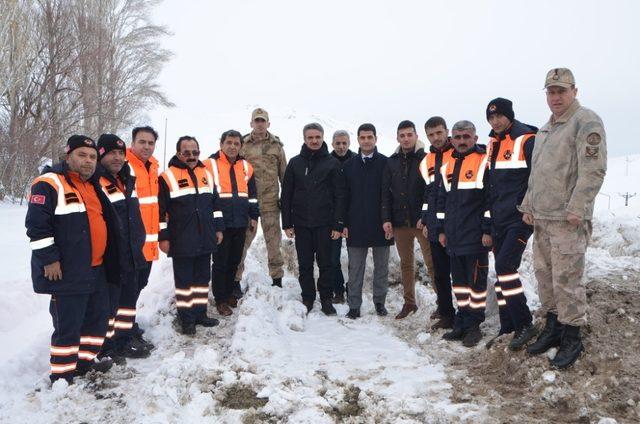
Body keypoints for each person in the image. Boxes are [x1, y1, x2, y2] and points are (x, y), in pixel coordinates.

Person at [519, 68, 607, 369]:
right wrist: (528, 204)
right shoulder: (546, 129)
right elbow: (538, 174)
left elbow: (593, 170)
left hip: (567, 221)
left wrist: (577, 209)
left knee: (568, 281)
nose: (555, 97)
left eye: (561, 91)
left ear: (574, 91)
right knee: (545, 278)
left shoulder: (585, 122)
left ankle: (572, 336)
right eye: (550, 92)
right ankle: (554, 327)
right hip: (543, 219)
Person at [25, 135, 120, 384]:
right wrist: (49, 260)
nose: (88, 161)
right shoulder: (49, 183)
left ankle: (84, 363)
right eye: (82, 155)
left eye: (92, 157)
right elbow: (37, 227)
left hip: (96, 268)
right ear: (68, 156)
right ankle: (62, 374)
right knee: (68, 324)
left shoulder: (92, 185)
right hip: (67, 270)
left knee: (96, 321)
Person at [485, 98, 538, 350]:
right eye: (491, 118)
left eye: (499, 116)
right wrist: (488, 223)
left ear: (509, 115)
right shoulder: (493, 143)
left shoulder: (526, 138)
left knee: (506, 266)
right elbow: (490, 186)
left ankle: (525, 323)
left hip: (519, 218)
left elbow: (537, 179)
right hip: (498, 220)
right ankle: (507, 327)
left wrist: (527, 208)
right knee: (500, 275)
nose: (495, 121)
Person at [158, 136, 224, 335]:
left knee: (202, 280)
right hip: (182, 239)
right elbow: (160, 212)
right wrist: (164, 236)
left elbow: (215, 204)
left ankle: (200, 314)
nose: (192, 156)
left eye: (195, 152)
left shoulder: (206, 173)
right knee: (185, 283)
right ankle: (186, 319)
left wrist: (218, 228)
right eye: (186, 152)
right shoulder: (167, 176)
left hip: (205, 236)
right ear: (179, 153)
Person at [281, 123, 346, 315]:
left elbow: (340, 196)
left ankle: (326, 298)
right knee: (305, 264)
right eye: (310, 138)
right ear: (304, 139)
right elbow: (286, 195)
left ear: (323, 137)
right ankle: (308, 297)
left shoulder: (332, 163)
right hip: (301, 223)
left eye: (317, 137)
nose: (314, 141)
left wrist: (337, 224)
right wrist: (287, 223)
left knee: (326, 263)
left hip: (325, 224)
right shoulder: (295, 163)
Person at [436, 120, 491, 347]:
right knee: (458, 283)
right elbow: (442, 200)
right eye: (457, 137)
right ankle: (461, 320)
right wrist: (440, 229)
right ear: (452, 139)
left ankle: (474, 325)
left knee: (476, 284)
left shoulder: (483, 161)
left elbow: (490, 200)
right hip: (454, 237)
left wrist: (487, 230)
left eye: (465, 137)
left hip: (476, 237)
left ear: (474, 138)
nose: (461, 141)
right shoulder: (447, 163)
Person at [96, 134, 151, 359]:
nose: (117, 157)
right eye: (112, 153)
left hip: (131, 251)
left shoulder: (127, 179)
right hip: (111, 256)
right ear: (101, 155)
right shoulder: (96, 181)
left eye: (120, 153)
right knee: (110, 305)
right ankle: (107, 345)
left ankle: (124, 339)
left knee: (128, 302)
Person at [381, 120, 434, 319]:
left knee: (432, 263)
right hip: (400, 222)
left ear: (416, 136)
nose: (405, 139)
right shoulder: (391, 161)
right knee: (406, 264)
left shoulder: (426, 158)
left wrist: (426, 216)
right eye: (402, 135)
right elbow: (385, 192)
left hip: (421, 222)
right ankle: (409, 303)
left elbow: (431, 190)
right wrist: (386, 218)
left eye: (409, 134)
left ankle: (443, 304)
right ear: (397, 138)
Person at [204, 130, 259, 316]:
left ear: (241, 146)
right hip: (219, 223)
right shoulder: (209, 165)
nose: (233, 146)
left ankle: (228, 294)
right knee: (220, 262)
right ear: (221, 144)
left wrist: (253, 215)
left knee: (235, 260)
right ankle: (220, 299)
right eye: (229, 142)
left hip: (240, 222)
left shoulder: (246, 166)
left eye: (236, 143)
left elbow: (252, 195)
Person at [342, 124, 392, 319]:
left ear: (376, 138)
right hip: (356, 224)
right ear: (358, 140)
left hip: (381, 223)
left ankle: (380, 302)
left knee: (381, 267)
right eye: (362, 138)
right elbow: (343, 197)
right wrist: (343, 223)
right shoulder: (349, 166)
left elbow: (390, 195)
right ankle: (354, 305)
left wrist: (389, 221)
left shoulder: (385, 163)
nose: (366, 141)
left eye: (369, 137)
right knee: (355, 268)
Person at [236, 108, 287, 289]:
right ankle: (235, 281)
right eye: (256, 121)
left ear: (268, 123)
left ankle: (277, 280)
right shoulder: (242, 145)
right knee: (242, 244)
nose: (259, 123)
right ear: (251, 123)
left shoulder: (276, 147)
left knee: (274, 244)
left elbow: (284, 177)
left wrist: (286, 201)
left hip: (271, 203)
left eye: (262, 120)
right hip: (248, 205)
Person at [419, 116, 456, 329]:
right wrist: (425, 220)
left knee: (459, 275)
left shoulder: (458, 152)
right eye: (431, 135)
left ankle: (467, 316)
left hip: (456, 226)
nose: (436, 138)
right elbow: (429, 193)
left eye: (439, 133)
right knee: (440, 273)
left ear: (446, 131)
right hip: (434, 225)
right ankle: (446, 312)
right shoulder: (428, 160)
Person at [126, 126, 160, 348]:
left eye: (150, 143)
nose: (147, 146)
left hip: (148, 244)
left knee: (138, 285)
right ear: (133, 142)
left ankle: (128, 326)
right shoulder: (124, 166)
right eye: (142, 142)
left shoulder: (153, 166)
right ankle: (122, 334)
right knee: (126, 290)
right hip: (130, 243)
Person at [329, 130, 356, 304]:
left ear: (349, 143)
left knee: (355, 258)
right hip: (333, 217)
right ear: (332, 144)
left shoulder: (356, 161)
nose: (341, 146)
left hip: (354, 216)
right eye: (338, 143)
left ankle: (352, 289)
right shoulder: (327, 161)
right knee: (333, 258)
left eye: (344, 143)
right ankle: (337, 290)